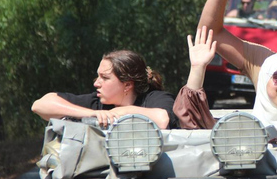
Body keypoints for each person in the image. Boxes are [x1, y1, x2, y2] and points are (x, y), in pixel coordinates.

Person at [31, 50, 176, 129]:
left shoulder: (155, 98)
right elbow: (40, 105)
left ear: (127, 85)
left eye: (105, 78)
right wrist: (92, 114)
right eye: (98, 76)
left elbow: (162, 120)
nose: (96, 83)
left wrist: (123, 112)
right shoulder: (97, 104)